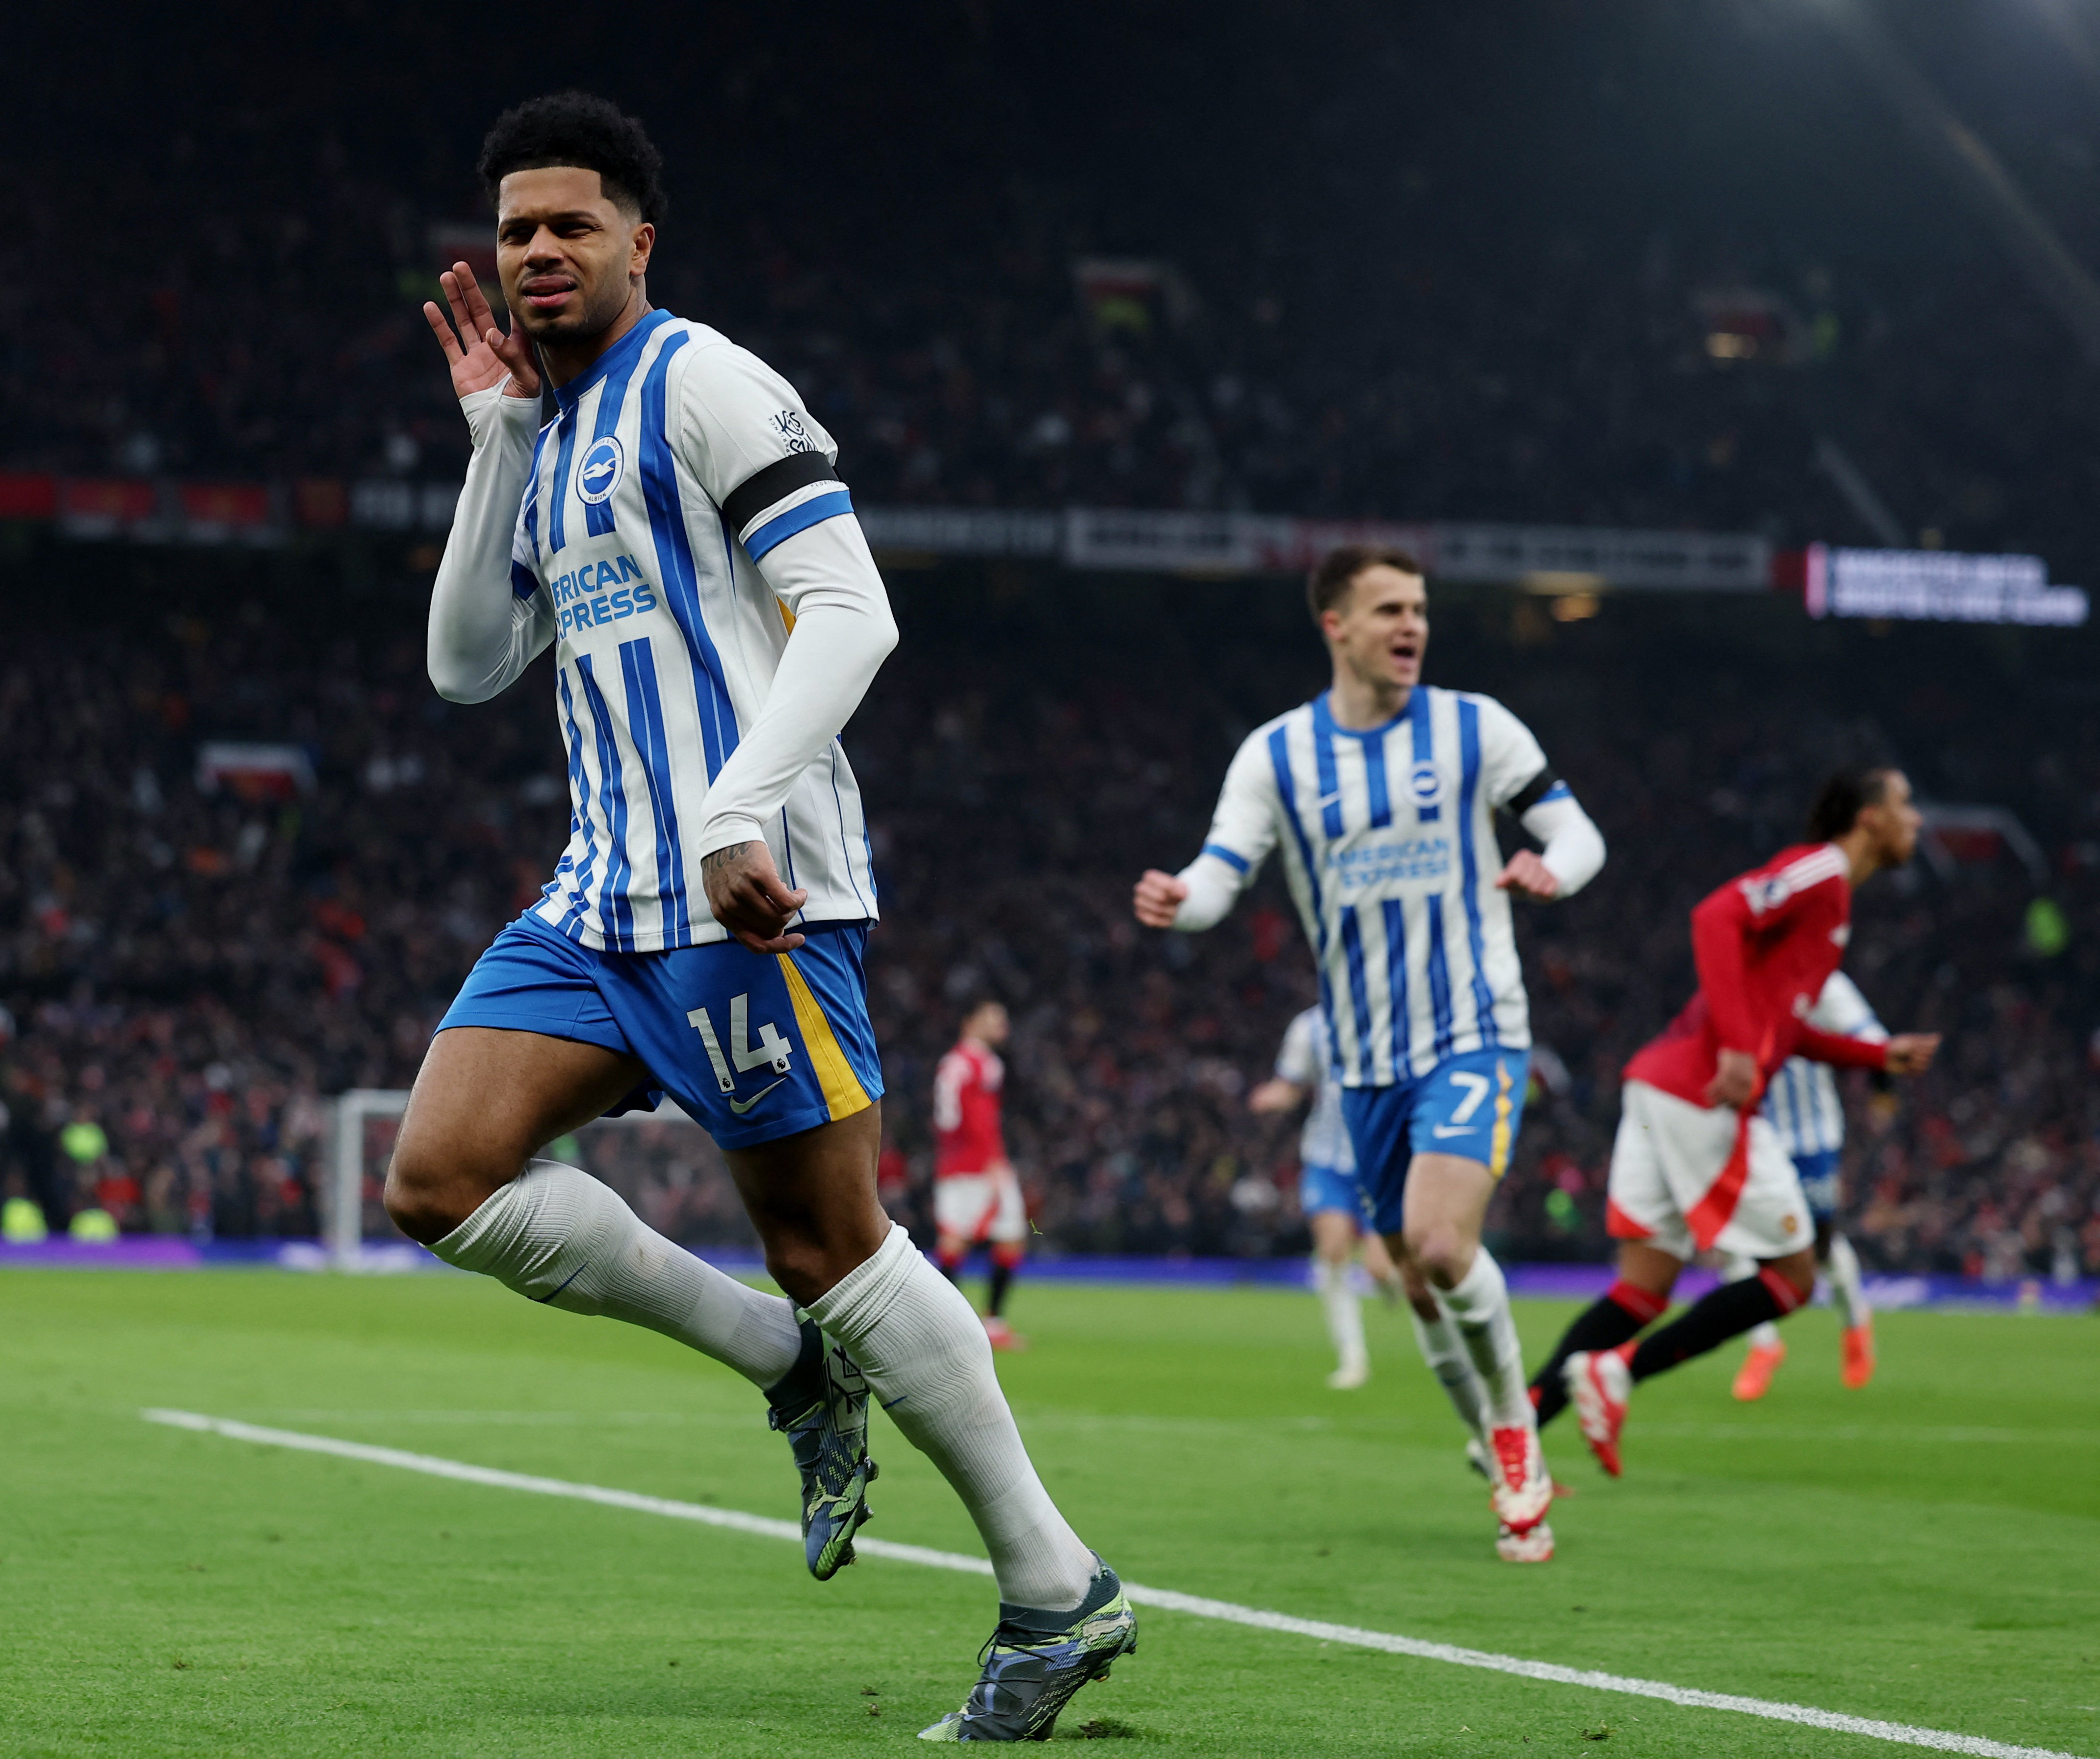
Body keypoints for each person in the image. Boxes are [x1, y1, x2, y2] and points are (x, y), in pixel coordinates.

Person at [383, 94, 1132, 1741]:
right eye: (515, 230)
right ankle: (789, 1368)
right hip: (598, 899)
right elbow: (463, 666)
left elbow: (852, 611)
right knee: (437, 1176)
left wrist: (737, 808)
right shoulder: (553, 433)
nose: (539, 251)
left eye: (572, 225)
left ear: (639, 240)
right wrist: (494, 442)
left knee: (828, 1245)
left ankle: (1055, 1586)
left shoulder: (705, 381)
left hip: (748, 896)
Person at [1133, 544, 1607, 1564]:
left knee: (1437, 1243)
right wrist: (1180, 899)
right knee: (1415, 1280)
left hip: (1475, 1028)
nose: (1411, 625)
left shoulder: (1475, 727)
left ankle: (1514, 1427)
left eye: (1419, 608)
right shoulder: (1276, 755)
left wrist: (1552, 870)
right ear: (1334, 625)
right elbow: (1219, 871)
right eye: (1388, 608)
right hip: (1362, 1060)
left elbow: (1578, 833)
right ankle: (1489, 1441)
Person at [1530, 768, 1941, 1477]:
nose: (1917, 820)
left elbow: (1790, 1025)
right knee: (1794, 1275)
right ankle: (1617, 1370)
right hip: (1701, 1094)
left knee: (1642, 1287)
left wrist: (1875, 1054)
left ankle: (1512, 1433)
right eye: (1905, 805)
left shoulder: (1832, 906)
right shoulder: (1821, 871)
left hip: (1659, 1086)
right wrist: (1736, 1049)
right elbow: (1715, 915)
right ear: (1869, 817)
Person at [1729, 969, 1887, 1400]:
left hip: (1812, 1138)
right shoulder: (1735, 976)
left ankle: (1855, 1324)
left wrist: (1883, 1086)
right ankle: (1765, 1345)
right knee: (1735, 1239)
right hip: (1755, 1133)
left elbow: (1872, 1039)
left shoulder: (1823, 981)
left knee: (1822, 1249)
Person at [1248, 1003, 1399, 1389]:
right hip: (1326, 1162)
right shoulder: (1310, 1027)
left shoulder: (1394, 1017)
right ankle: (1353, 1358)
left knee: (1380, 1270)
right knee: (1333, 1252)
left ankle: (1395, 1288)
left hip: (1379, 1165)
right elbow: (1291, 1085)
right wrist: (1273, 1097)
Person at [933, 999, 1032, 1349]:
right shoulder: (979, 1063)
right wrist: (991, 1159)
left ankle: (947, 1325)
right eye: (993, 1018)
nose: (1001, 1024)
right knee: (1006, 1235)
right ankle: (988, 1322)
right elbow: (971, 1117)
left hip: (958, 1162)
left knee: (958, 1240)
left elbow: (947, 1119)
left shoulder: (955, 1062)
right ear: (970, 1022)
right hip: (980, 1164)